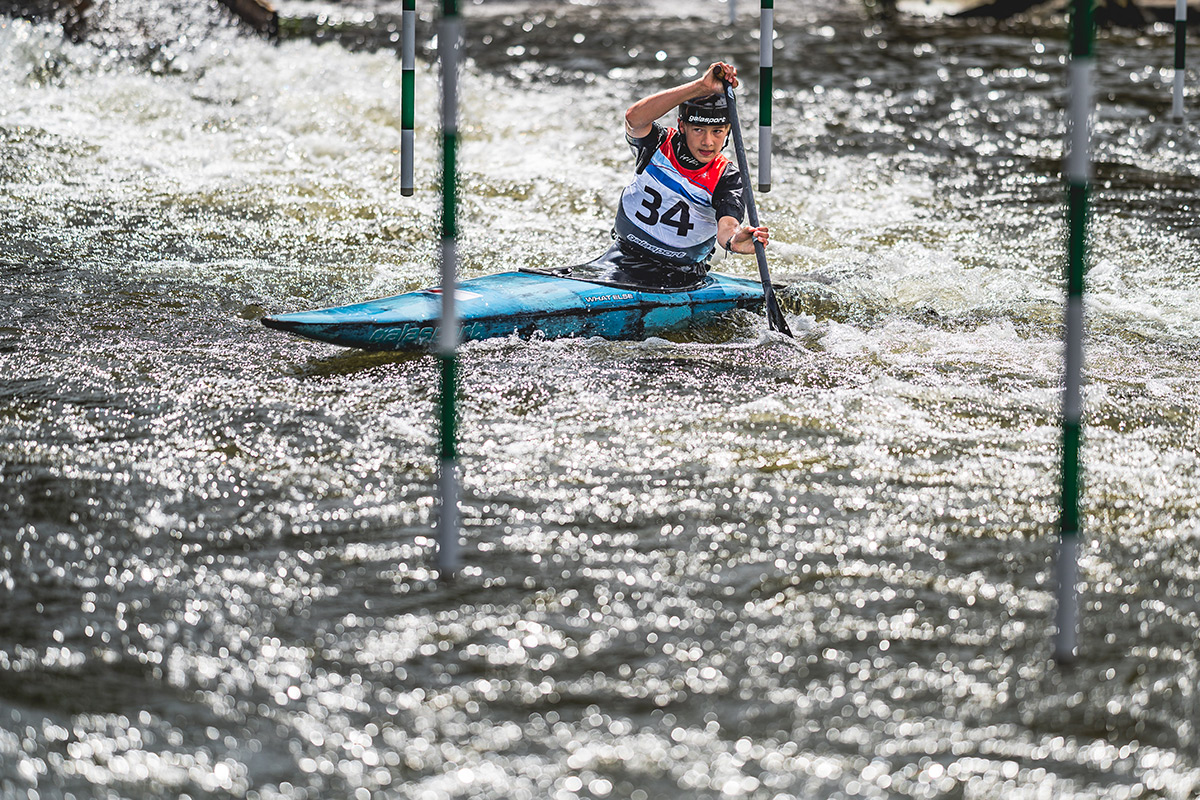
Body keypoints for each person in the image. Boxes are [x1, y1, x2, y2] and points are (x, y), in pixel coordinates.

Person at [560, 62, 769, 290]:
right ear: (682, 126)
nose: (708, 142)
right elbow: (634, 118)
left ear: (728, 131)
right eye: (698, 129)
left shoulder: (728, 178)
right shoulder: (658, 143)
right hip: (620, 259)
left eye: (717, 132)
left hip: (680, 277)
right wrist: (700, 87)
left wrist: (735, 240)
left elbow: (728, 227)